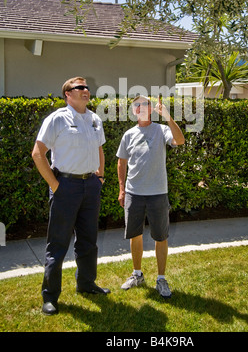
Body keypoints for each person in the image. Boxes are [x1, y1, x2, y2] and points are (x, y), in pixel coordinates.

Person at [32, 77, 110, 316]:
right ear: (67, 94)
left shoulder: (95, 119)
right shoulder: (57, 119)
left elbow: (99, 149)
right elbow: (38, 153)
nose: (86, 90)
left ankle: (86, 283)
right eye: (80, 88)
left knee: (88, 240)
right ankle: (50, 297)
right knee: (58, 244)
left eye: (87, 87)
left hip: (91, 186)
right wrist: (55, 185)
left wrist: (100, 177)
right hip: (65, 186)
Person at [116, 95, 185, 298]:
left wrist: (168, 118)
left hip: (157, 194)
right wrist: (121, 189)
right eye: (136, 105)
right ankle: (137, 274)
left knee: (160, 237)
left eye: (145, 104)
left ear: (151, 109)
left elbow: (179, 140)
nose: (140, 107)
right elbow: (121, 163)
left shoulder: (161, 129)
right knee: (135, 235)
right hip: (134, 193)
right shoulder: (128, 134)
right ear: (134, 111)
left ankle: (161, 278)